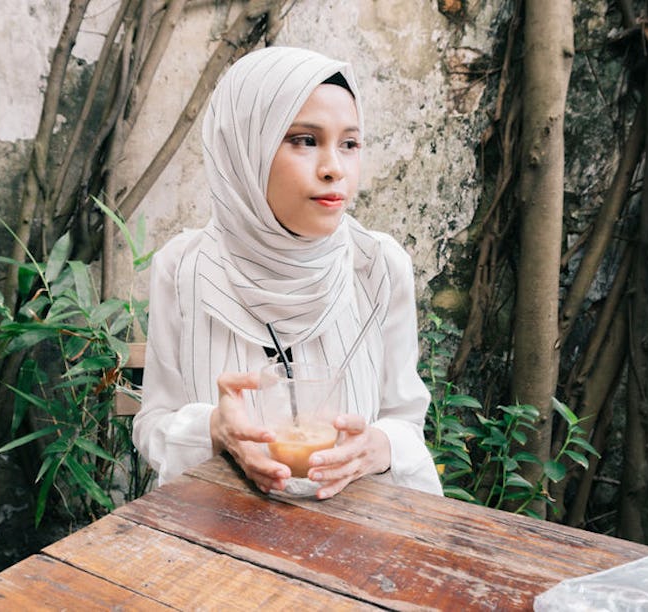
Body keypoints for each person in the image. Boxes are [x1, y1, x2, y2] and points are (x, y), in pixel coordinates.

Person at [132, 46, 442, 499]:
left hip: (357, 533)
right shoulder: (183, 268)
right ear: (245, 147)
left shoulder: (376, 266)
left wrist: (375, 447)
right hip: (219, 537)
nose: (335, 168)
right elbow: (153, 425)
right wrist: (215, 429)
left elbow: (404, 418)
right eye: (305, 139)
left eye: (350, 144)